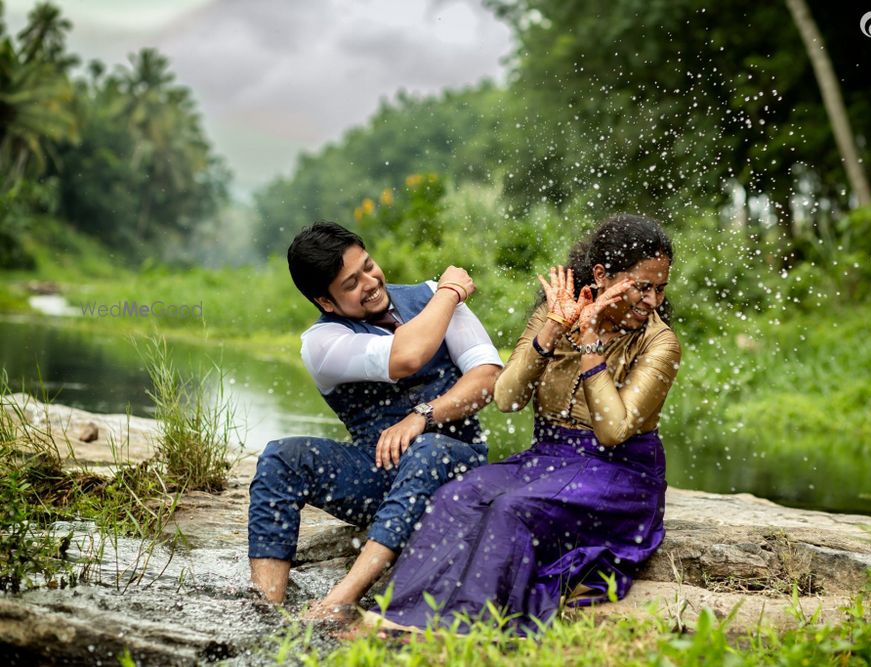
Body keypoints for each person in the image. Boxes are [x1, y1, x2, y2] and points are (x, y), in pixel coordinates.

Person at [372, 213, 681, 634]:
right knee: (455, 498)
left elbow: (612, 432)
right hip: (548, 457)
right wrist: (554, 329)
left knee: (513, 510)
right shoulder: (554, 316)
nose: (652, 302)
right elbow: (506, 398)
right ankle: (399, 618)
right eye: (642, 287)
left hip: (620, 474)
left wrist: (590, 344)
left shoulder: (660, 342)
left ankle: (468, 630)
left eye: (659, 289)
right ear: (601, 275)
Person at [247, 222, 503, 621]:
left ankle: (342, 597)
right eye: (351, 283)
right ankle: (266, 609)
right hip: (377, 474)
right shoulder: (321, 343)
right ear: (325, 301)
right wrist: (451, 292)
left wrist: (424, 415)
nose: (370, 282)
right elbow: (407, 356)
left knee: (429, 447)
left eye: (368, 265)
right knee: (281, 457)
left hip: (457, 463)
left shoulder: (431, 297)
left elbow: (488, 379)